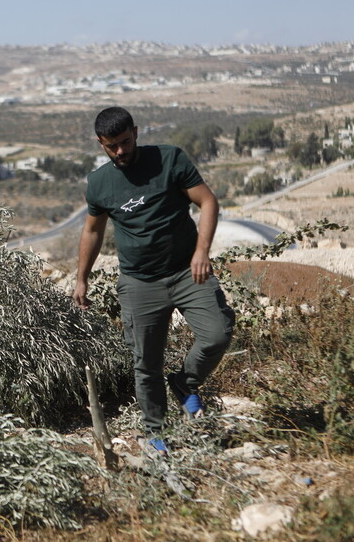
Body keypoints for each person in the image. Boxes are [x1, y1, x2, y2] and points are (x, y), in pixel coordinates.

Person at [72, 106, 235, 455]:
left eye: (126, 142)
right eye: (111, 146)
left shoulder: (169, 159)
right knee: (146, 362)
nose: (120, 152)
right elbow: (92, 231)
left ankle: (185, 382)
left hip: (188, 270)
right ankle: (155, 433)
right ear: (100, 143)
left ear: (136, 131)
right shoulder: (100, 183)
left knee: (217, 333)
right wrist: (81, 279)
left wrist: (202, 252)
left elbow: (207, 201)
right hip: (139, 282)